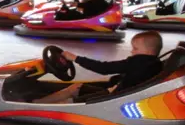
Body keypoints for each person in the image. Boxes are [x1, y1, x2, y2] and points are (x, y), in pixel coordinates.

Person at [35, 31, 163, 103]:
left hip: (113, 100)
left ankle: (34, 108)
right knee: (75, 87)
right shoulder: (153, 63)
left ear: (149, 51)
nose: (132, 52)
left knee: (68, 103)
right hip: (116, 92)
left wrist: (75, 58)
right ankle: (36, 104)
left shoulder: (139, 62)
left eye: (135, 49)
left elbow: (103, 68)